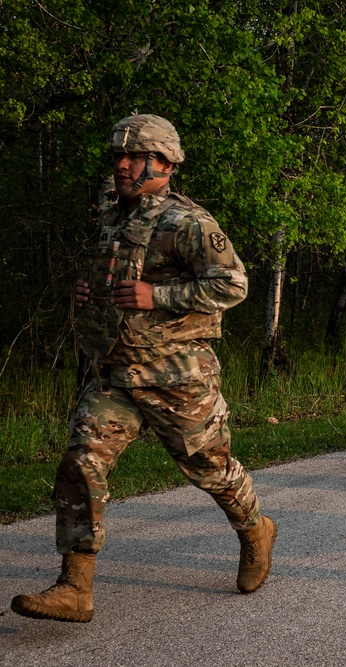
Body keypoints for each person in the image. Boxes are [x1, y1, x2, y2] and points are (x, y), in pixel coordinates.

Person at [11, 115, 276, 624]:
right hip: (114, 372)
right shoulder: (112, 215)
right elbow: (112, 276)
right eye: (117, 155)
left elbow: (233, 285)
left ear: (165, 163)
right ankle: (75, 586)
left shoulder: (190, 223)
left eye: (133, 156)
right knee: (80, 463)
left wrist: (160, 295)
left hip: (178, 377)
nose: (122, 164)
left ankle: (255, 530)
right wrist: (87, 295)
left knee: (212, 471)